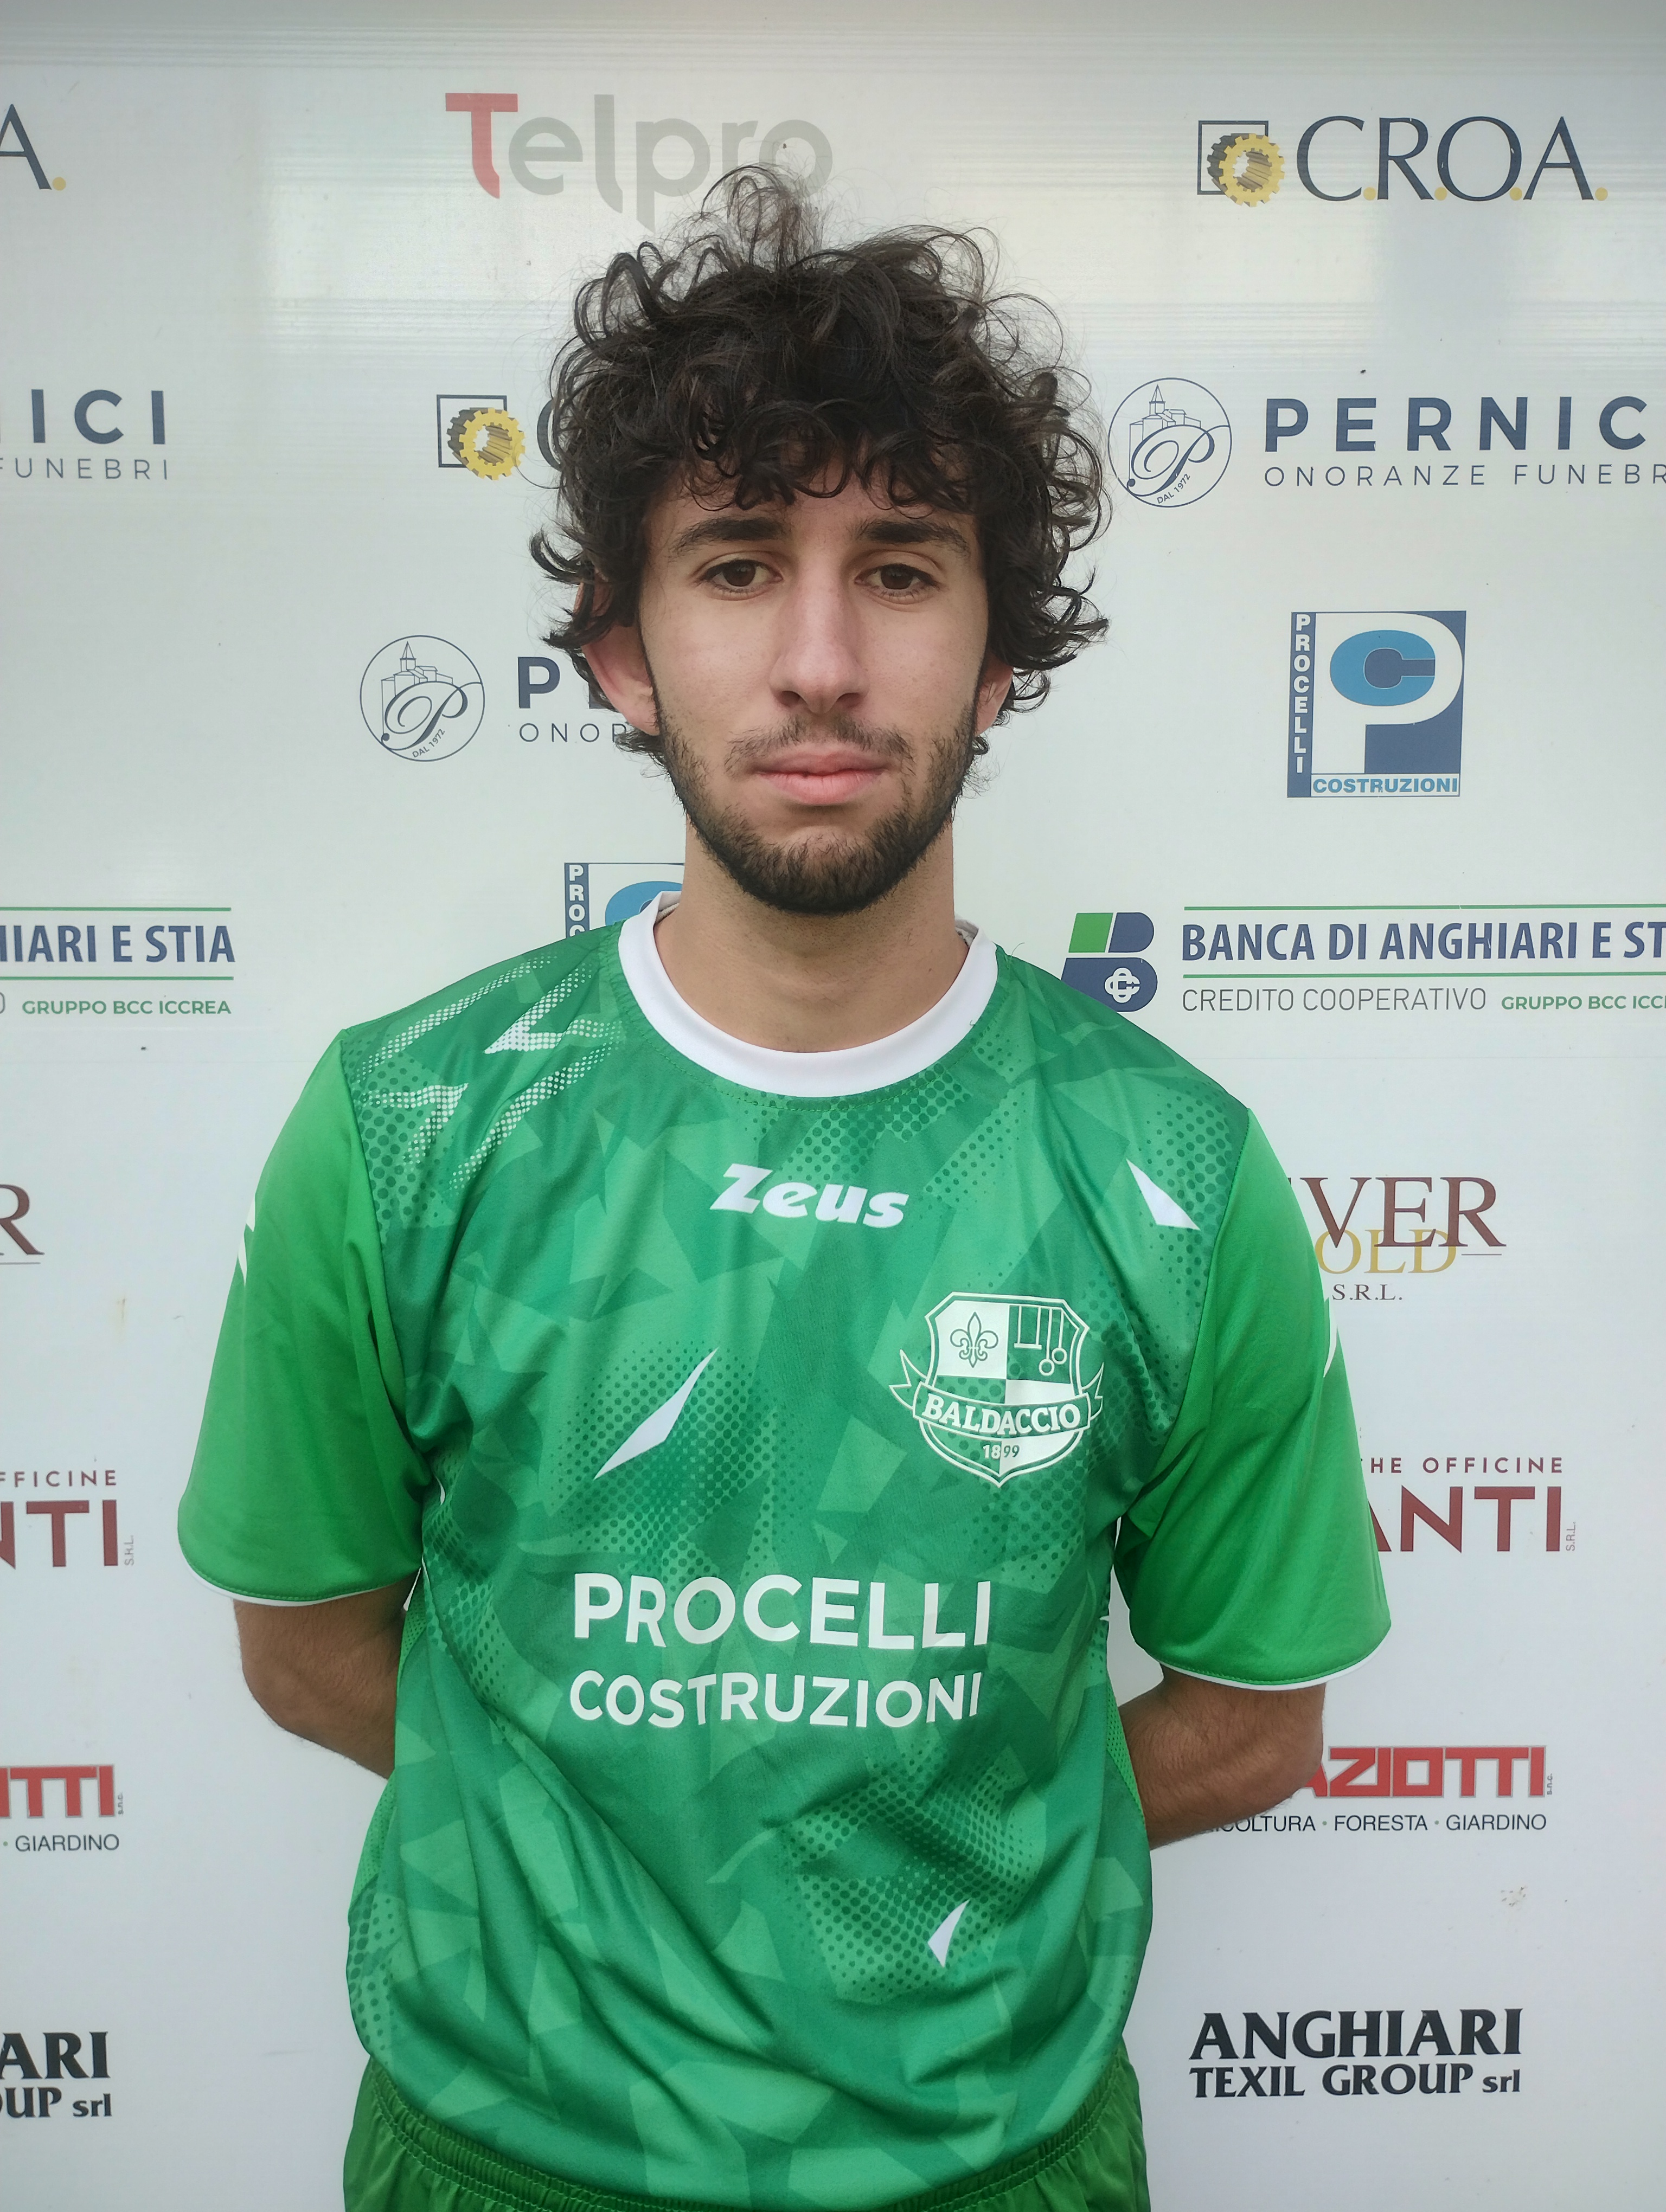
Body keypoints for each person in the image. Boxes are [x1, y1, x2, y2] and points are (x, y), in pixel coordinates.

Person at [179, 171, 1388, 2212]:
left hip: (997, 2167)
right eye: (738, 565)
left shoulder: (1172, 1169)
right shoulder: (409, 1122)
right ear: (623, 654)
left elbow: (1257, 1722)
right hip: (501, 2163)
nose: (821, 661)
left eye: (901, 570)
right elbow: (304, 1646)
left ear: (998, 659)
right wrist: (638, 1837)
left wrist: (928, 1850)